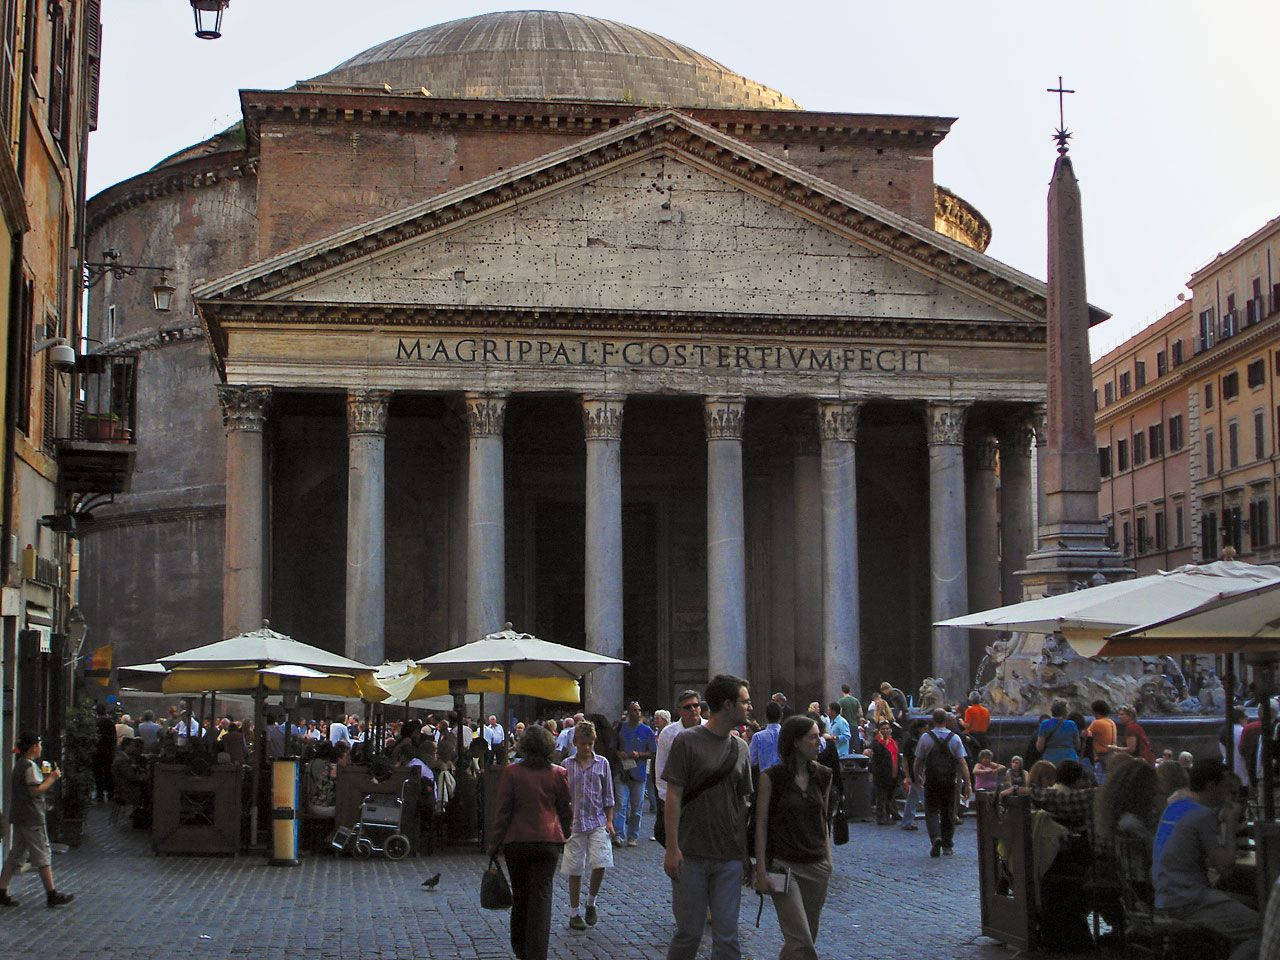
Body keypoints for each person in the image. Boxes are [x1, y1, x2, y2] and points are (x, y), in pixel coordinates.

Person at [663, 674, 753, 960]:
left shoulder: (741, 747)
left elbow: (742, 803)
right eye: (745, 701)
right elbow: (673, 796)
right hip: (691, 854)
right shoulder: (686, 741)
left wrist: (746, 855)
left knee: (727, 938)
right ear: (728, 705)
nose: (749, 707)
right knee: (689, 934)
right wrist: (672, 848)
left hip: (728, 856)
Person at [1152, 759, 1259, 960]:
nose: (1230, 794)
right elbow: (1226, 867)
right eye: (1226, 787)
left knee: (1249, 904)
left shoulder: (1175, 807)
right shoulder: (1202, 815)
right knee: (1264, 927)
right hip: (1190, 901)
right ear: (1212, 786)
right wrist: (1231, 820)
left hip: (1165, 896)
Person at [753, 714, 833, 960]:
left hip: (816, 866)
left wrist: (828, 861)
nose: (818, 743)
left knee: (803, 940)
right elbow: (761, 825)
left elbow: (823, 820)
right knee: (802, 941)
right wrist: (762, 869)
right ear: (796, 742)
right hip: (784, 867)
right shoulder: (771, 777)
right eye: (813, 737)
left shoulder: (823, 775)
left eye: (819, 737)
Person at [488, 725, 572, 960]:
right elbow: (565, 809)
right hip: (547, 841)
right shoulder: (558, 773)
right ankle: (537, 953)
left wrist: (494, 843)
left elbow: (503, 811)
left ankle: (521, 948)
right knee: (542, 899)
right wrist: (565, 833)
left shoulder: (512, 772)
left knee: (521, 896)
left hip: (518, 842)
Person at [0, 732, 73, 907]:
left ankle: (1, 891)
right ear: (34, 747)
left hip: (19, 816)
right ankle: (51, 894)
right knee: (42, 854)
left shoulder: (19, 765)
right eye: (39, 745)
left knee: (16, 854)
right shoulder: (29, 767)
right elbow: (35, 790)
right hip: (32, 817)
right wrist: (53, 778)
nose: (41, 748)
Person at [560, 720, 615, 930]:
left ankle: (591, 901)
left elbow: (608, 795)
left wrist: (609, 820)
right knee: (575, 868)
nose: (587, 748)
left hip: (597, 820)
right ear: (575, 742)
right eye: (583, 743)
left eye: (591, 743)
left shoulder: (602, 763)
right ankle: (574, 912)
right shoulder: (566, 765)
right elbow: (563, 796)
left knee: (601, 861)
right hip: (574, 823)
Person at [912, 707, 971, 857]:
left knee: (931, 810)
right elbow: (963, 762)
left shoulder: (926, 737)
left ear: (933, 720)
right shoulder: (955, 738)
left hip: (932, 779)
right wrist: (968, 783)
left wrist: (917, 775)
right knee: (949, 811)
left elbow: (918, 760)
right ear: (946, 720)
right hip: (950, 781)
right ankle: (947, 845)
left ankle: (935, 837)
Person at [655, 690, 703, 849]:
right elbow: (660, 768)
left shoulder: (710, 728)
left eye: (695, 705)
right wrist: (665, 799)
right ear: (680, 711)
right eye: (687, 707)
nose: (692, 710)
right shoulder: (668, 734)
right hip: (677, 799)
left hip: (704, 799)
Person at [614, 701, 656, 847]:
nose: (636, 713)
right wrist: (619, 753)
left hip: (638, 773)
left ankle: (633, 835)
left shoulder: (647, 731)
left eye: (638, 710)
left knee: (636, 808)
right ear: (628, 712)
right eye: (633, 710)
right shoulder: (620, 728)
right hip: (622, 772)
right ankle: (619, 834)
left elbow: (653, 752)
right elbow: (613, 748)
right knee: (621, 805)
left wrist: (640, 754)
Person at [866, 720, 900, 825]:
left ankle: (891, 814)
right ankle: (881, 817)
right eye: (883, 729)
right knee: (881, 796)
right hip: (881, 773)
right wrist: (881, 739)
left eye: (887, 728)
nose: (886, 730)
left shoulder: (893, 742)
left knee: (890, 795)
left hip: (893, 772)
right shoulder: (877, 742)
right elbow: (877, 753)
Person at [899, 718, 928, 831]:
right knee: (925, 797)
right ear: (920, 729)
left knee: (912, 798)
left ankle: (907, 822)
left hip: (916, 773)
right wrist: (908, 775)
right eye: (925, 728)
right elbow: (905, 760)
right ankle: (934, 820)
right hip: (916, 773)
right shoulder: (912, 742)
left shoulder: (916, 740)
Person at [1035, 699, 1081, 765]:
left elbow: (1040, 747)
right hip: (1070, 758)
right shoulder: (1071, 724)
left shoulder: (1045, 724)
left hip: (1050, 759)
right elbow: (1078, 745)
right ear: (1064, 711)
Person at [749, 701, 783, 773]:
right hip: (785, 777)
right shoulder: (787, 734)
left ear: (766, 716)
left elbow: (752, 761)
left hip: (765, 776)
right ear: (781, 715)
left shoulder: (757, 737)